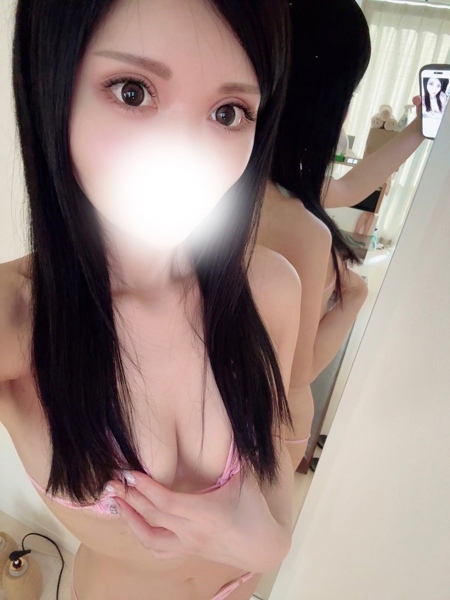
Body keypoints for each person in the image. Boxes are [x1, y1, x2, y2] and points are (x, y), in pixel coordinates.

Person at [0, 1, 300, 599]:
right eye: (132, 92)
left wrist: (263, 545)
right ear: (52, 88)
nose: (184, 154)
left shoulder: (269, 288)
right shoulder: (18, 320)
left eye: (228, 112)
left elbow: (276, 466)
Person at [257, 0, 426, 470]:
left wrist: (419, 130)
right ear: (330, 102)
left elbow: (353, 186)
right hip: (274, 432)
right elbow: (296, 375)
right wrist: (354, 299)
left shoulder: (243, 180)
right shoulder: (299, 227)